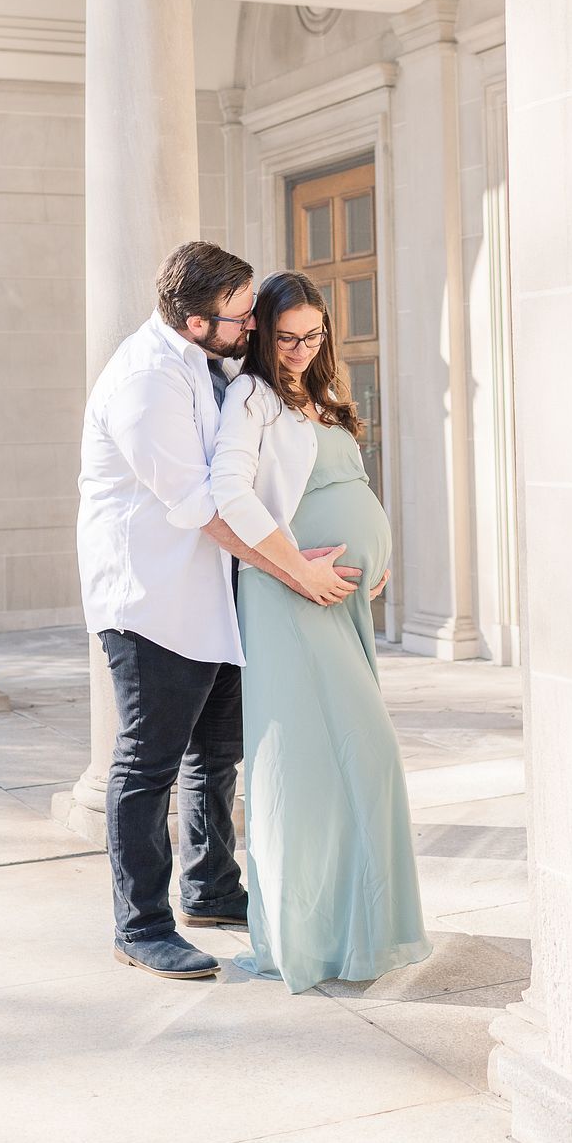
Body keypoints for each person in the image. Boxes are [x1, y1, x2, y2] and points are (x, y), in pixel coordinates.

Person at [77, 243, 358, 983]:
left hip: (212, 595)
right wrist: (295, 572)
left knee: (215, 751)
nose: (253, 328)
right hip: (151, 599)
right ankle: (141, 926)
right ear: (197, 323)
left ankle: (210, 888)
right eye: (241, 319)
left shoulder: (210, 365)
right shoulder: (145, 383)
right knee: (148, 763)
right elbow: (202, 505)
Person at [210, 269, 431, 993]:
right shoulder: (251, 397)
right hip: (289, 595)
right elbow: (228, 491)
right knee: (323, 761)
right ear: (261, 333)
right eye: (286, 337)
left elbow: (347, 486)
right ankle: (306, 939)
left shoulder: (325, 393)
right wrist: (296, 568)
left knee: (347, 764)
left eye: (313, 335)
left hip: (340, 600)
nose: (301, 348)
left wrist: (376, 557)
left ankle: (354, 930)